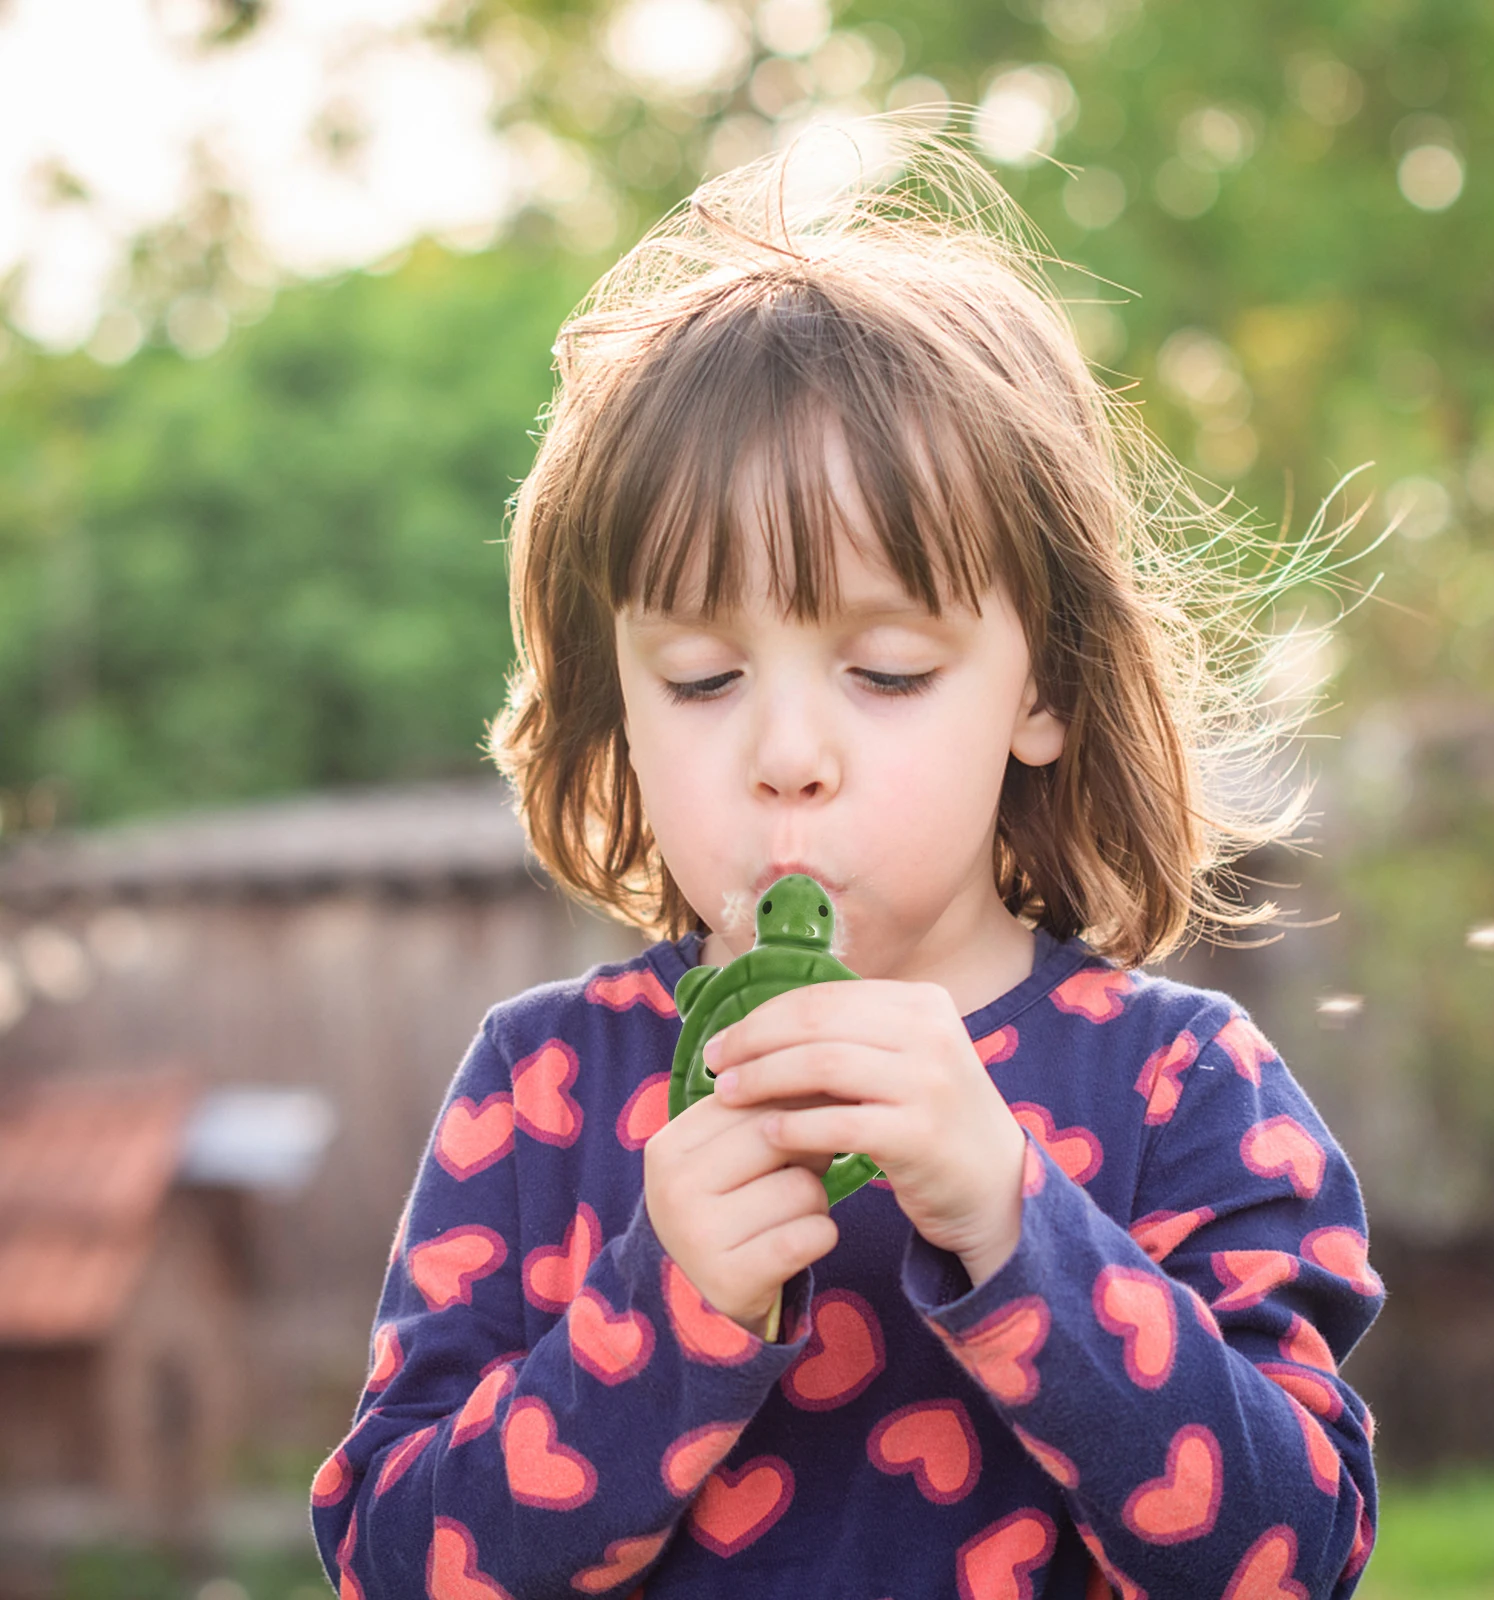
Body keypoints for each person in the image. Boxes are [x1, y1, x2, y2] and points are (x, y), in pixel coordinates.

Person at [310, 117, 1383, 1599]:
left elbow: (1291, 1554)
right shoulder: (545, 1090)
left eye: (887, 671)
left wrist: (1015, 1222)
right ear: (618, 703)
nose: (788, 752)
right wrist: (664, 1309)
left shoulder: (1179, 1087)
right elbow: (391, 1561)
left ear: (1044, 688)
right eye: (700, 678)